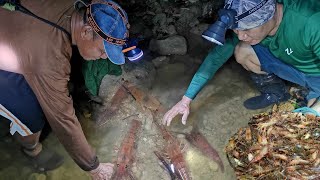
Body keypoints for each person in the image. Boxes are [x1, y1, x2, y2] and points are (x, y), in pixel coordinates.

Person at [0, 0, 131, 179]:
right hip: (11, 55)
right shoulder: (50, 59)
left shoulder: (72, 5)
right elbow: (62, 117)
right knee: (32, 115)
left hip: (14, 27)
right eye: (102, 51)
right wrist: (93, 167)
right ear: (86, 31)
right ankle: (31, 150)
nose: (102, 57)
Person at [163, 0, 320, 126]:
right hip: (293, 64)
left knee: (309, 126)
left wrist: (313, 112)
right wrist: (186, 100)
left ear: (269, 14)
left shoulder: (311, 22)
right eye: (237, 30)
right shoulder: (249, 28)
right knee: (242, 50)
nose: (241, 36)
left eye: (247, 30)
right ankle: (276, 93)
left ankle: (309, 94)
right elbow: (215, 58)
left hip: (316, 75)